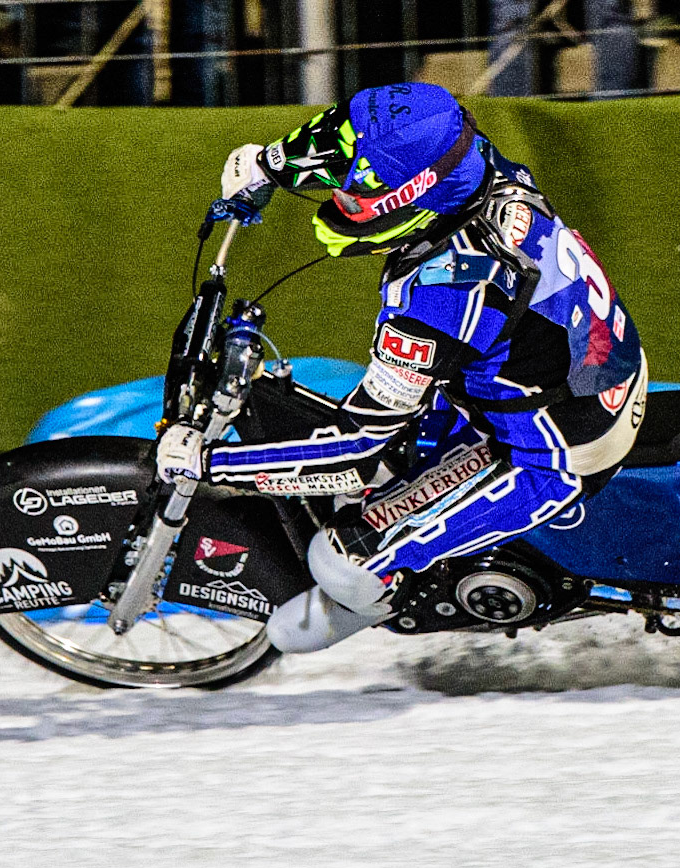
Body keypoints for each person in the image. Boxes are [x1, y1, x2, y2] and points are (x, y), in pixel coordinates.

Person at [158, 82, 647, 653]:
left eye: (356, 196)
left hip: (555, 447)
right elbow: (347, 137)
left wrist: (210, 464)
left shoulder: (449, 292)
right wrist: (269, 165)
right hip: (570, 370)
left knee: (339, 560)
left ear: (406, 201)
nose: (339, 200)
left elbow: (357, 447)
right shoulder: (468, 158)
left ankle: (398, 593)